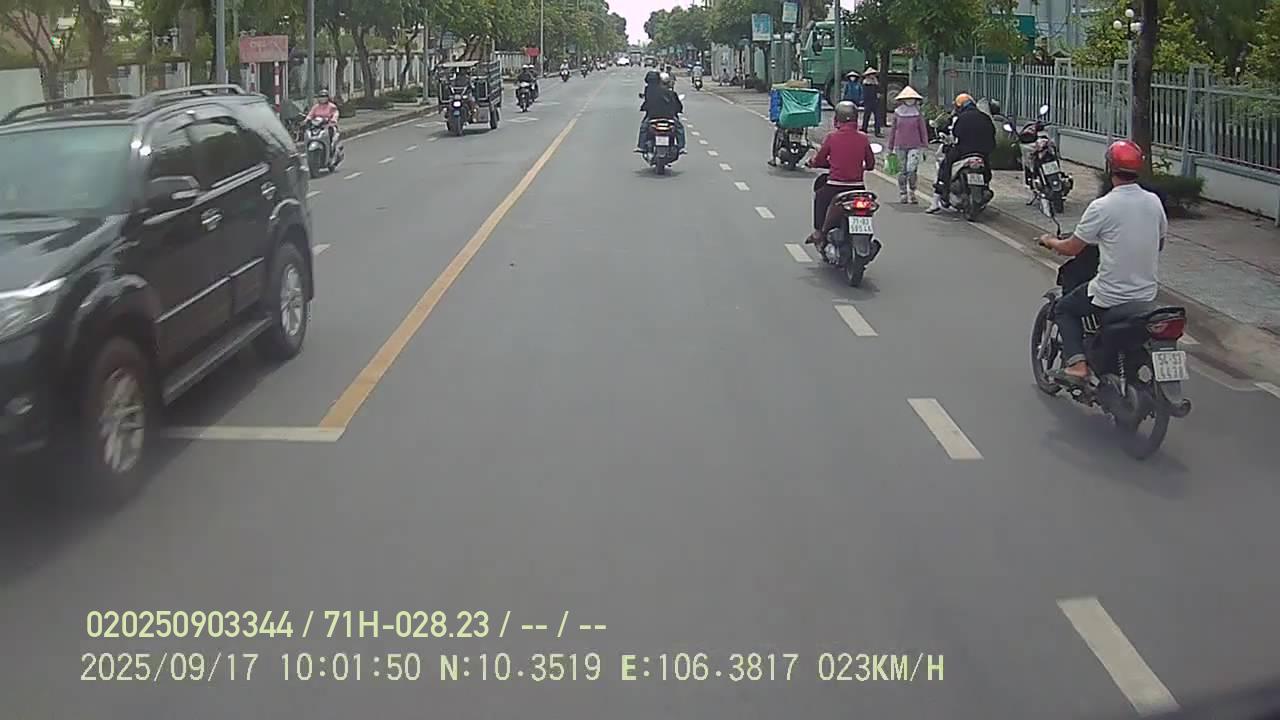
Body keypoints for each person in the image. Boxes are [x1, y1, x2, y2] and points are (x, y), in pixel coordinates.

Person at [1038, 140, 1165, 385]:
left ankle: (1077, 366)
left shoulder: (1102, 206)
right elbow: (1159, 244)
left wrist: (1050, 240)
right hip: (1146, 294)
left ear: (1109, 168)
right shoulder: (1153, 202)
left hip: (1110, 292)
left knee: (1064, 308)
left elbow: (1072, 248)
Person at [804, 100, 876, 245]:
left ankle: (819, 232)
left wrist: (813, 162)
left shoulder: (832, 137)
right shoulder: (863, 138)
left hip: (835, 187)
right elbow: (870, 164)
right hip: (858, 188)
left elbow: (819, 160)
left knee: (820, 197)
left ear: (837, 119)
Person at [927, 93, 996, 213]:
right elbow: (992, 132)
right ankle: (985, 187)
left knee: (945, 165)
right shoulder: (984, 117)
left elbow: (956, 133)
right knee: (987, 169)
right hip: (982, 152)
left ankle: (943, 191)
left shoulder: (961, 117)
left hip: (964, 151)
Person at [885, 85, 927, 204]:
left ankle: (912, 191)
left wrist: (925, 145)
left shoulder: (918, 113)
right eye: (907, 99)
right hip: (900, 145)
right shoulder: (897, 113)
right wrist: (890, 147)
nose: (910, 101)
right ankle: (903, 193)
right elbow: (893, 130)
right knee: (902, 171)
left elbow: (923, 130)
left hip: (915, 145)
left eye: (912, 99)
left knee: (911, 170)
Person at [636, 71, 685, 153]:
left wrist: (644, 108)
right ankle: (681, 147)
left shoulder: (650, 90)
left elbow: (647, 103)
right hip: (668, 116)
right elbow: (678, 105)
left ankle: (641, 146)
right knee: (679, 128)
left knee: (643, 127)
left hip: (653, 116)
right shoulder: (670, 93)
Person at [859, 68, 882, 136]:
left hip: (875, 101)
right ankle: (864, 128)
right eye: (871, 74)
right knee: (866, 115)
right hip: (868, 101)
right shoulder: (865, 83)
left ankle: (877, 131)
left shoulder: (876, 82)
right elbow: (865, 93)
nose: (873, 76)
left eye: (873, 74)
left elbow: (879, 91)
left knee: (877, 117)